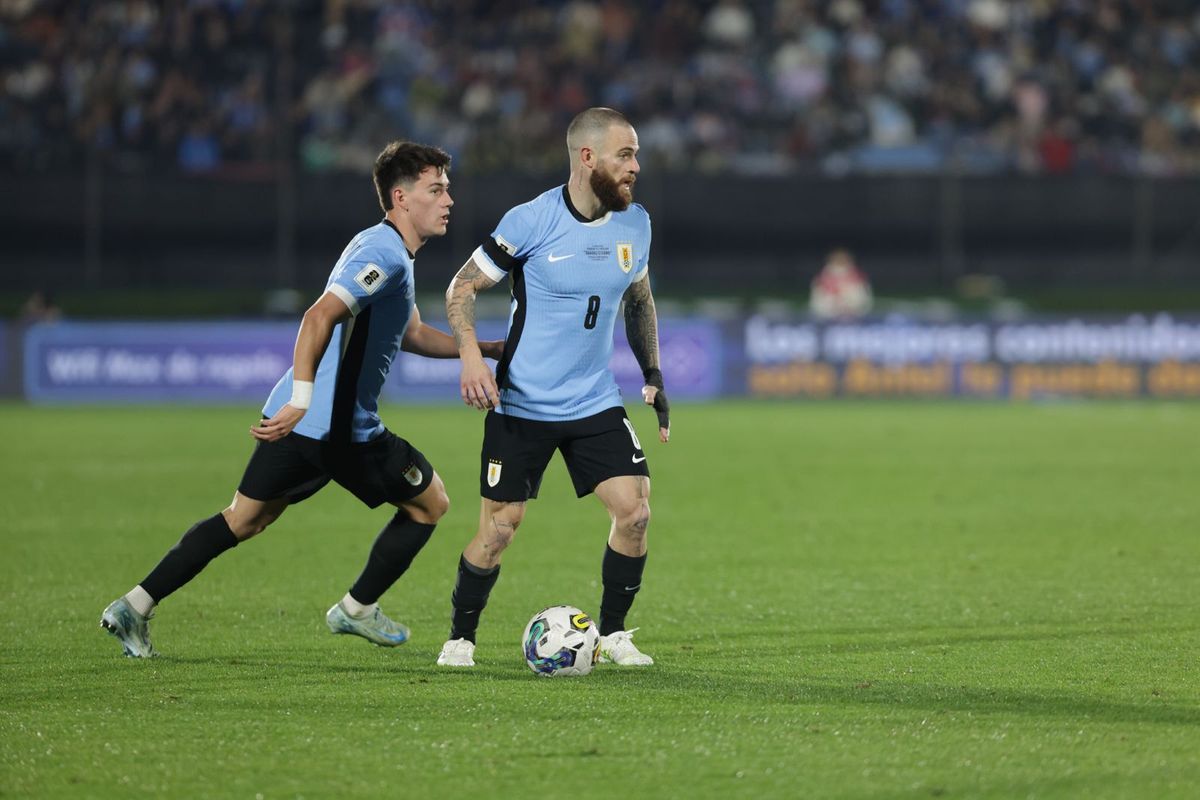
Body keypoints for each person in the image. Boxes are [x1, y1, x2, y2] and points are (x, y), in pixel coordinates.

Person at [100, 141, 503, 658]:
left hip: (300, 418)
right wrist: (306, 399)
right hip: (337, 428)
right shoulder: (383, 254)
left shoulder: (383, 248)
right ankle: (356, 608)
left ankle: (134, 605)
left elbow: (412, 334)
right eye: (437, 189)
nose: (449, 198)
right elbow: (318, 316)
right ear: (401, 198)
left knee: (243, 519)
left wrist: (483, 347)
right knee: (431, 503)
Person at [435, 107, 670, 669]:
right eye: (625, 154)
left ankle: (613, 635)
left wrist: (653, 374)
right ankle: (461, 639)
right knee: (498, 529)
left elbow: (638, 299)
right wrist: (470, 356)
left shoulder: (635, 224)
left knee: (635, 513)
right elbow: (461, 287)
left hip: (593, 400)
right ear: (588, 157)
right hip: (522, 402)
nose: (636, 166)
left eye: (636, 154)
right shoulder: (531, 221)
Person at [810, 247, 873, 320]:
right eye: (837, 261)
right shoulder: (821, 279)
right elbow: (817, 304)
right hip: (828, 319)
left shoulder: (858, 278)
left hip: (854, 319)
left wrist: (849, 306)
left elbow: (864, 302)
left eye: (843, 261)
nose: (840, 264)